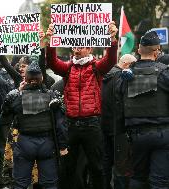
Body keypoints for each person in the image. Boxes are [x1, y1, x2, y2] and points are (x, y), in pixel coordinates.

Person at [44, 21, 118, 189]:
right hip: (70, 124)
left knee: (97, 167)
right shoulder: (68, 68)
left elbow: (110, 60)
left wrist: (112, 39)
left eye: (81, 45)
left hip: (92, 124)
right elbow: (53, 63)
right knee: (68, 167)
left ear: (90, 49)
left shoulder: (96, 67)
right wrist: (51, 40)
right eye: (74, 46)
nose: (76, 48)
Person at [1, 58, 68, 189]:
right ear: (41, 78)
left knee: (20, 183)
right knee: (49, 184)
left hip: (24, 143)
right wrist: (63, 146)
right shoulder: (51, 96)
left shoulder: (19, 97)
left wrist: (19, 92)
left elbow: (5, 113)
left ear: (25, 79)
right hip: (47, 144)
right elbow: (61, 124)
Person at [118, 31, 169, 189]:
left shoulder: (126, 75)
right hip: (162, 134)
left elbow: (119, 98)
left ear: (139, 50)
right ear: (157, 51)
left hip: (136, 136)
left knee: (138, 177)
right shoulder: (164, 72)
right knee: (159, 181)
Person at [101, 54, 137, 189]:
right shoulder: (122, 77)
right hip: (119, 128)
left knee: (105, 163)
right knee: (121, 166)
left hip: (103, 126)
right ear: (127, 64)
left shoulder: (102, 76)